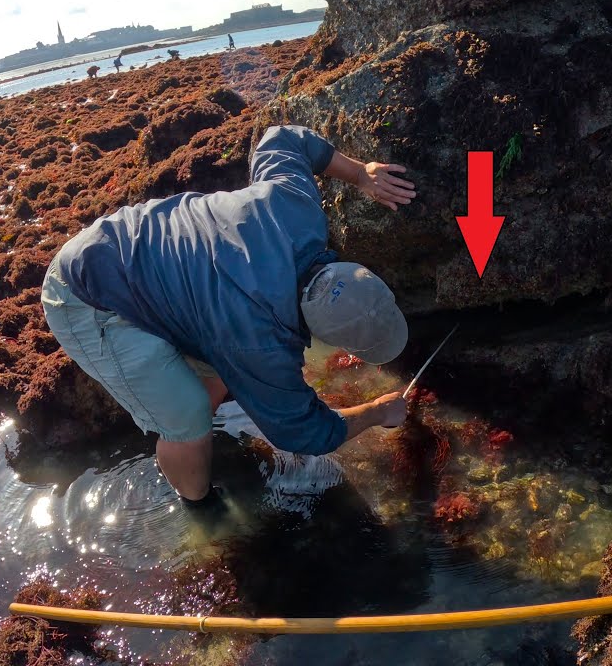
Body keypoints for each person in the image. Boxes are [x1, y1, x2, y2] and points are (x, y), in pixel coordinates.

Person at [40, 126, 418, 510]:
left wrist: (359, 174)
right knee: (188, 419)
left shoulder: (299, 210)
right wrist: (377, 412)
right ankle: (197, 503)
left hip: (127, 247)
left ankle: (198, 431)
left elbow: (283, 139)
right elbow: (305, 432)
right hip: (85, 295)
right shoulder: (256, 341)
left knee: (220, 372)